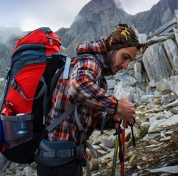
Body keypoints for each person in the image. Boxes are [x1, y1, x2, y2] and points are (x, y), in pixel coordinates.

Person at [35, 24, 148, 175]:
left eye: (130, 61)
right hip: (58, 162)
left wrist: (112, 118)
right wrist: (117, 106)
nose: (126, 65)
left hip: (61, 158)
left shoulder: (97, 71)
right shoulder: (90, 62)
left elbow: (88, 117)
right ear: (112, 48)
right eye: (125, 57)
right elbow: (78, 87)